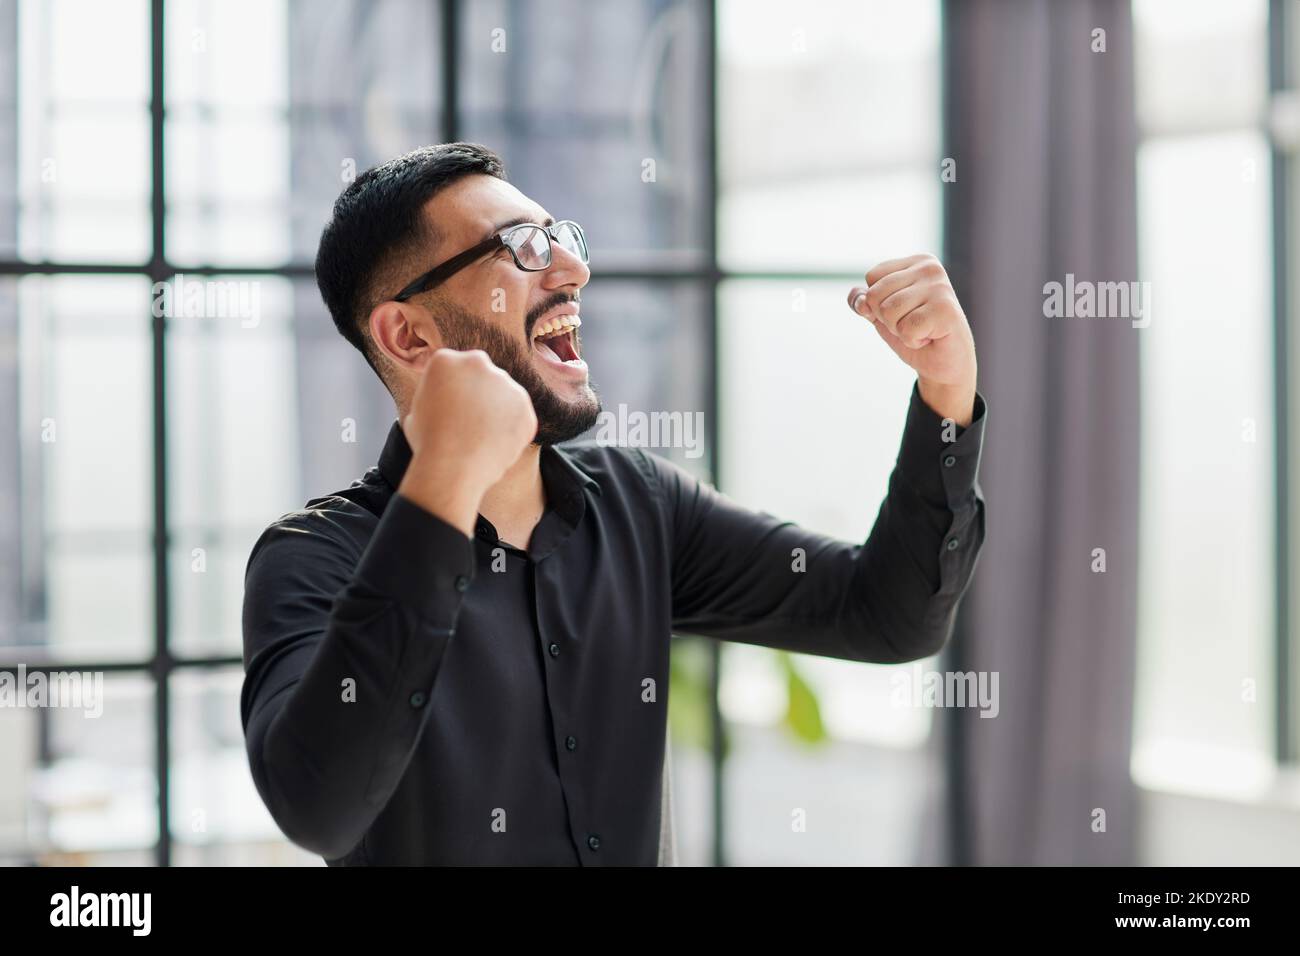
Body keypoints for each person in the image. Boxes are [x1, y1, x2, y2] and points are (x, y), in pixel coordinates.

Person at [240, 142, 988, 866]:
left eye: (562, 237)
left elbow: (885, 615)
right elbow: (319, 808)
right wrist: (445, 477)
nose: (574, 268)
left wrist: (946, 395)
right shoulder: (313, 559)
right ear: (408, 333)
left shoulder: (640, 506)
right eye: (523, 247)